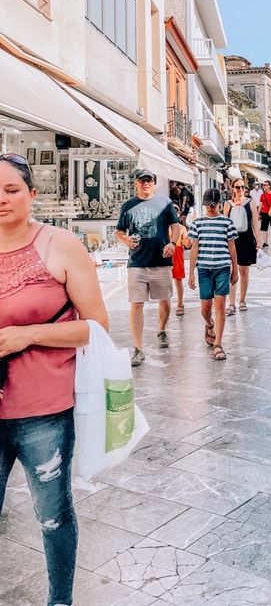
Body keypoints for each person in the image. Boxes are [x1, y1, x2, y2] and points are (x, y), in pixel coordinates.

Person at [0, 153, 109, 606]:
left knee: (53, 515)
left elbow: (96, 326)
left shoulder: (60, 245)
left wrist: (26, 335)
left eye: (11, 190)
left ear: (32, 195)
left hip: (42, 410)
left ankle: (59, 601)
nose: (1, 200)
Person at [115, 168, 181, 366]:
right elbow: (119, 231)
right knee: (136, 304)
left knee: (165, 300)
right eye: (142, 181)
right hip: (137, 263)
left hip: (161, 260)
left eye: (149, 180)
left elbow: (175, 226)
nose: (145, 184)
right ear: (136, 183)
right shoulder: (128, 206)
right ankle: (138, 348)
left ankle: (161, 329)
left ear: (154, 183)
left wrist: (173, 243)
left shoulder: (165, 203)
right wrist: (125, 240)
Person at [188, 188, 238, 360]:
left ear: (219, 204)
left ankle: (218, 343)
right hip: (203, 269)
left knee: (220, 305)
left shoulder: (227, 223)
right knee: (205, 308)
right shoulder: (197, 223)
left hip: (222, 267)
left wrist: (235, 269)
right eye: (207, 204)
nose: (210, 207)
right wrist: (191, 273)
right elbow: (194, 247)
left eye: (213, 204)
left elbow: (232, 247)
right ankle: (209, 324)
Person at [223, 177, 260, 314]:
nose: (240, 190)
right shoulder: (227, 204)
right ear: (233, 189)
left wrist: (259, 241)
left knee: (244, 271)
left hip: (247, 240)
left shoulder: (251, 202)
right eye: (237, 187)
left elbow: (255, 223)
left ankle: (242, 300)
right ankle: (231, 303)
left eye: (243, 187)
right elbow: (224, 223)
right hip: (232, 241)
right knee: (232, 271)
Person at [171, 203, 192, 317]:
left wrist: (190, 236)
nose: (174, 213)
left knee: (178, 281)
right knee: (165, 282)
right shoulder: (163, 227)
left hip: (177, 256)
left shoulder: (182, 228)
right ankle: (166, 304)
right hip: (166, 257)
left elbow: (188, 244)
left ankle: (180, 303)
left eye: (176, 211)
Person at [259, 180, 271, 248]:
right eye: (263, 185)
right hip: (264, 213)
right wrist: (259, 213)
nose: (264, 186)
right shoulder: (262, 195)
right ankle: (265, 242)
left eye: (265, 185)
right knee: (264, 228)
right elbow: (261, 205)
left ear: (269, 186)